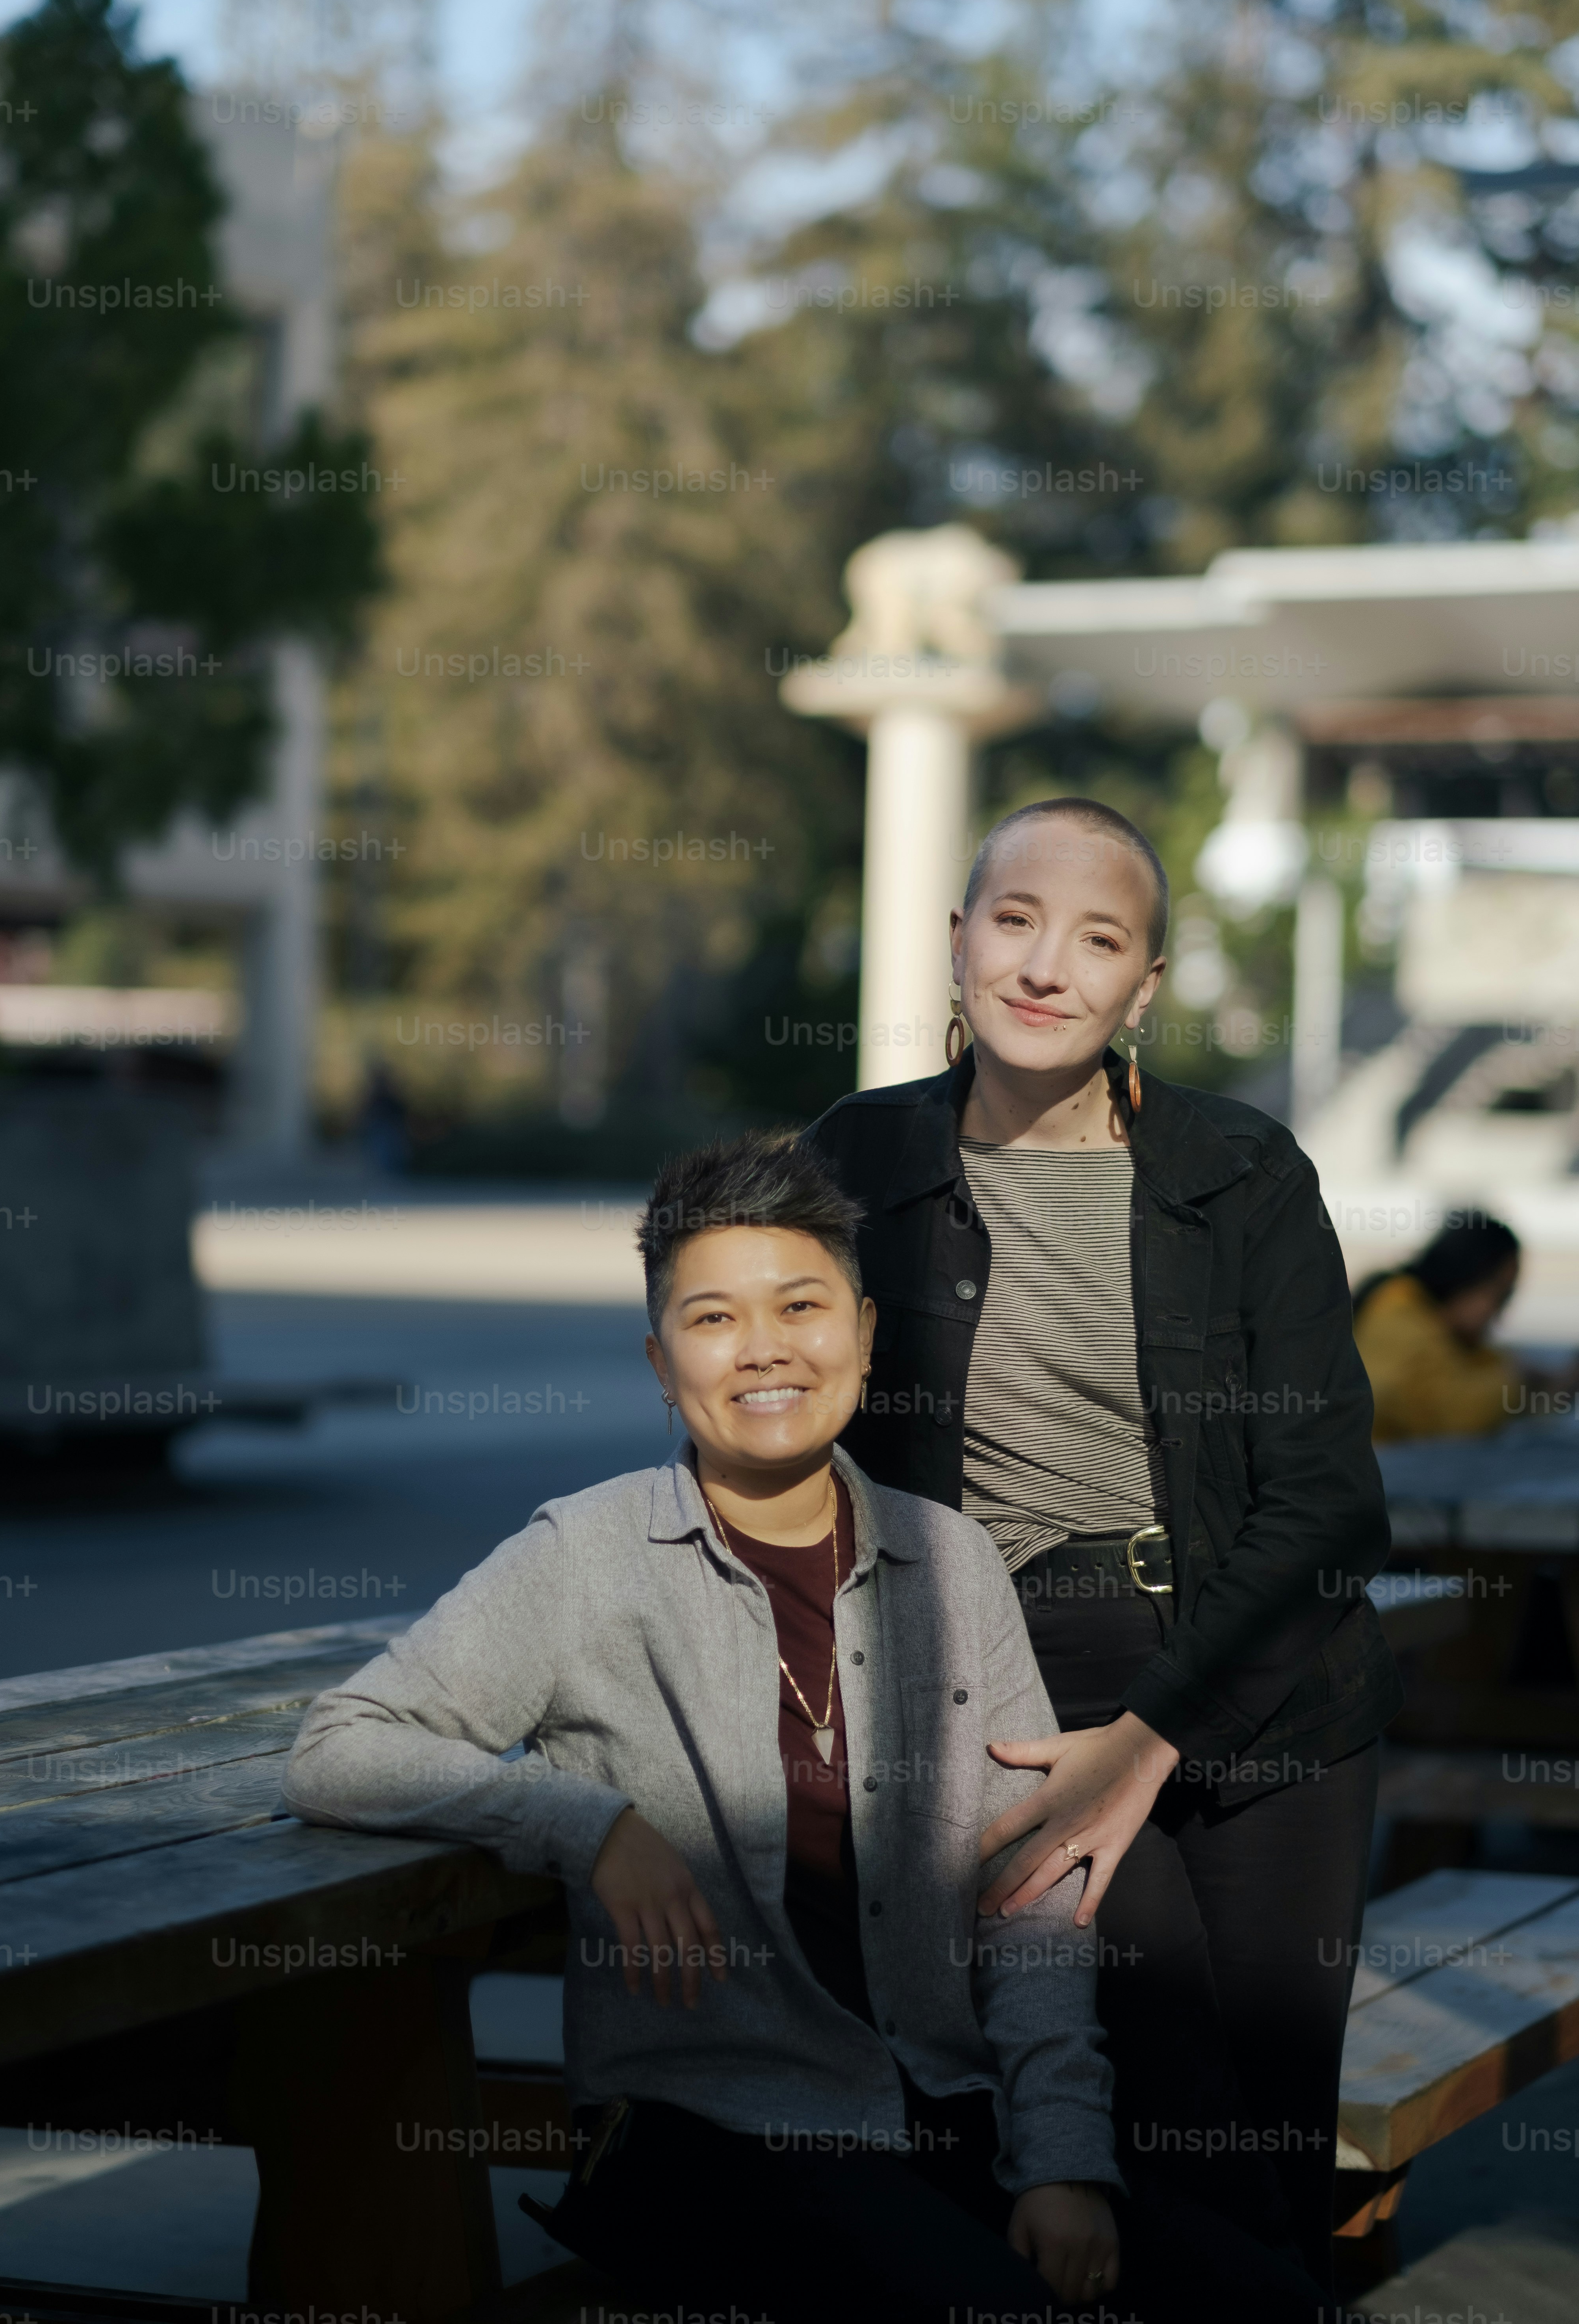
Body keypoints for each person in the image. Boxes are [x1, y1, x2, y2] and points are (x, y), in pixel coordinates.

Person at [284, 1131, 1318, 2324]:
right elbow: (341, 1742)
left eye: (801, 1305)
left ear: (866, 1335)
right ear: (661, 1363)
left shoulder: (953, 1560)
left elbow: (1030, 1900)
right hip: (711, 2135)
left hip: (943, 2113)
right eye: (713, 1318)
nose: (764, 1347)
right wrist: (586, 1821)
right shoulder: (586, 1555)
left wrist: (1064, 2157)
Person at [807, 795, 1403, 2294]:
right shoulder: (857, 1159)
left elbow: (1331, 1501)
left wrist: (1149, 1739)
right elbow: (765, 1416)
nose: (1046, 965)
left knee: (1264, 2144)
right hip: (1012, 1692)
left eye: (1100, 938)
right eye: (1014, 920)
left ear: (1143, 988)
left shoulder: (1237, 1171)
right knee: (1155, 2096)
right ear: (957, 943)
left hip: (1261, 1675)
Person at [1352, 1216, 1521, 1442]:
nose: (1497, 1314)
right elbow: (1455, 1414)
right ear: (1470, 1274)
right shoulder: (1399, 1318)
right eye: (1499, 1295)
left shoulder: (1410, 1309)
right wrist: (1517, 1382)